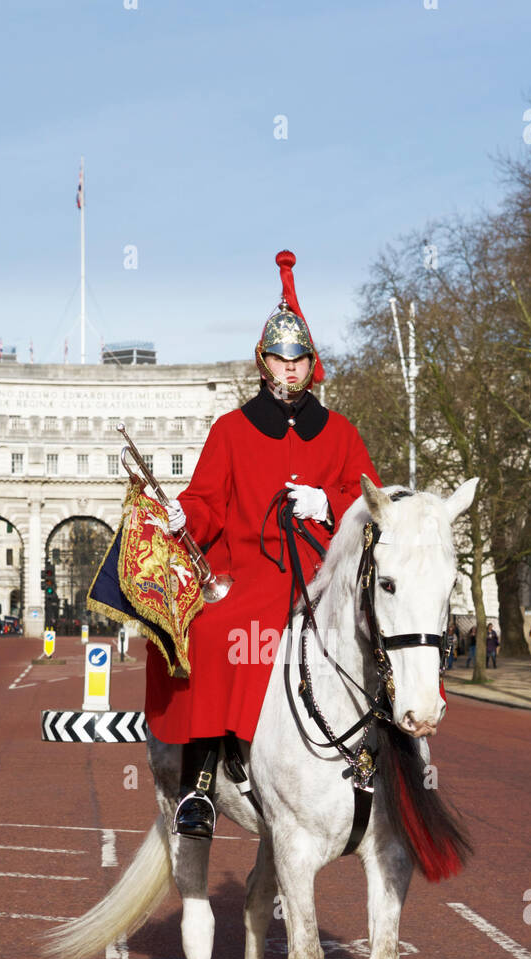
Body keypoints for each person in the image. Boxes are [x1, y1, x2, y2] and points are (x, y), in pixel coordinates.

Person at [144, 250, 384, 841]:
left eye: (299, 357)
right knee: (210, 629)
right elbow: (207, 502)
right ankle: (201, 783)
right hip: (252, 576)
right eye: (280, 356)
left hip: (324, 575)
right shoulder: (231, 430)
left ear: (311, 364)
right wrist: (183, 513)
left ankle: (400, 760)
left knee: (395, 631)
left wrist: (328, 505)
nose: (290, 368)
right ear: (263, 362)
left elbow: (369, 505)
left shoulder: (342, 432)